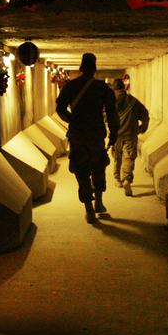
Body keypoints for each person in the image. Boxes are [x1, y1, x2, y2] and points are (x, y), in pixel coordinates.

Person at [55, 53, 119, 224]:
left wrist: (72, 120)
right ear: (95, 68)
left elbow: (60, 108)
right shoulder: (102, 88)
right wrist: (114, 133)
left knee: (81, 170)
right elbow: (112, 113)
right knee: (98, 167)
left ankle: (89, 209)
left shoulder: (70, 86)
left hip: (78, 135)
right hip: (96, 135)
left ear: (81, 68)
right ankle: (99, 202)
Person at [110, 78, 150, 197]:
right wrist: (143, 127)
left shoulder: (111, 101)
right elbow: (145, 114)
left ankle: (117, 179)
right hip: (130, 135)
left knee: (117, 157)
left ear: (114, 89)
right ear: (124, 87)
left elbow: (104, 117)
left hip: (116, 135)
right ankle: (126, 179)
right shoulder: (133, 101)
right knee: (128, 158)